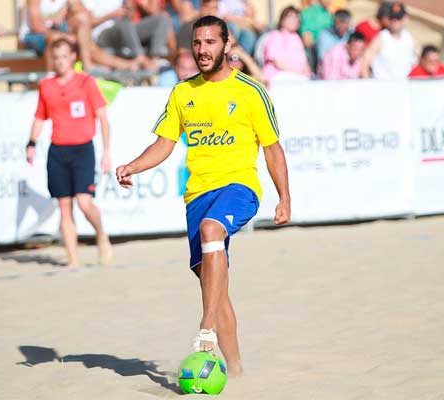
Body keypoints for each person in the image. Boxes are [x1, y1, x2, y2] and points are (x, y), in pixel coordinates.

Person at [116, 15, 290, 377]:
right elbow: (164, 144)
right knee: (213, 284)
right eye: (197, 43)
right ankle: (237, 369)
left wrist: (283, 197)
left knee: (213, 230)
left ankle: (205, 330)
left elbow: (273, 149)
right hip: (197, 195)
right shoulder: (183, 92)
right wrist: (133, 165)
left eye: (210, 42)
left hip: (239, 187)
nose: (202, 50)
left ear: (227, 45)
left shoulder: (251, 91)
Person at [26, 39, 113, 267]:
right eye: (56, 57)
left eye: (65, 56)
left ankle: (101, 235)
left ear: (72, 57)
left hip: (83, 149)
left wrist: (106, 153)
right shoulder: (47, 86)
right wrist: (31, 143)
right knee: (64, 206)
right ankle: (73, 259)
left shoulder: (86, 82)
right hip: (58, 151)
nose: (61, 61)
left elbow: (103, 118)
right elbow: (39, 116)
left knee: (85, 203)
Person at [84, 0, 170, 70]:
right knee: (124, 23)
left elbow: (131, 16)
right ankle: (140, 58)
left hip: (125, 30)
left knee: (162, 18)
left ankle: (154, 59)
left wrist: (130, 7)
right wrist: (111, 15)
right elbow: (87, 23)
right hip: (102, 34)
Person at [361, 1, 415, 80]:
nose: (394, 21)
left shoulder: (409, 38)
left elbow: (413, 62)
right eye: (392, 18)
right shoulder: (382, 38)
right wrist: (368, 85)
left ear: (405, 18)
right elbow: (364, 62)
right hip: (382, 87)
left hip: (403, 87)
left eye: (398, 18)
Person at [262, 6, 311, 83]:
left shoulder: (297, 37)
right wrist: (296, 72)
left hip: (297, 76)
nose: (296, 20)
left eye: (297, 18)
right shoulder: (275, 35)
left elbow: (304, 62)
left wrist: (308, 73)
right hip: (277, 75)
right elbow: (276, 61)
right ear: (282, 20)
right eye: (291, 17)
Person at [299, 0, 333, 67]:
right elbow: (307, 39)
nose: (330, 1)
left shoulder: (329, 14)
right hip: (313, 57)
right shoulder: (308, 12)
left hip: (328, 56)